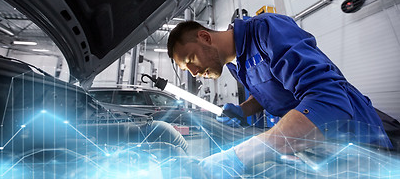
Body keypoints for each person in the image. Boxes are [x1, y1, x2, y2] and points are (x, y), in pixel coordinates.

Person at [166, 13, 392, 178]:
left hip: (357, 143)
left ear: (205, 37)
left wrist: (239, 156)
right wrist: (245, 109)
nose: (194, 73)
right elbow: (270, 91)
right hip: (313, 146)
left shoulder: (267, 29)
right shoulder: (236, 65)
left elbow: (329, 101)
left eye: (190, 61)